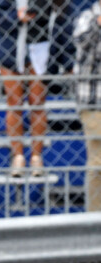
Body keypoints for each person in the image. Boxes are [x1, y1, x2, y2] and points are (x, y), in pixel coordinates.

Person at [0, 0, 54, 177]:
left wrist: (36, 12)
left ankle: (36, 157)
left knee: (37, 102)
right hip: (10, 43)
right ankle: (18, 156)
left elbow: (57, 7)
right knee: (14, 102)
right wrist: (15, 18)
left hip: (40, 41)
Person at [74, 0, 101, 211]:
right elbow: (82, 41)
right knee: (98, 162)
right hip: (95, 101)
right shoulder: (88, 16)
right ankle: (95, 217)